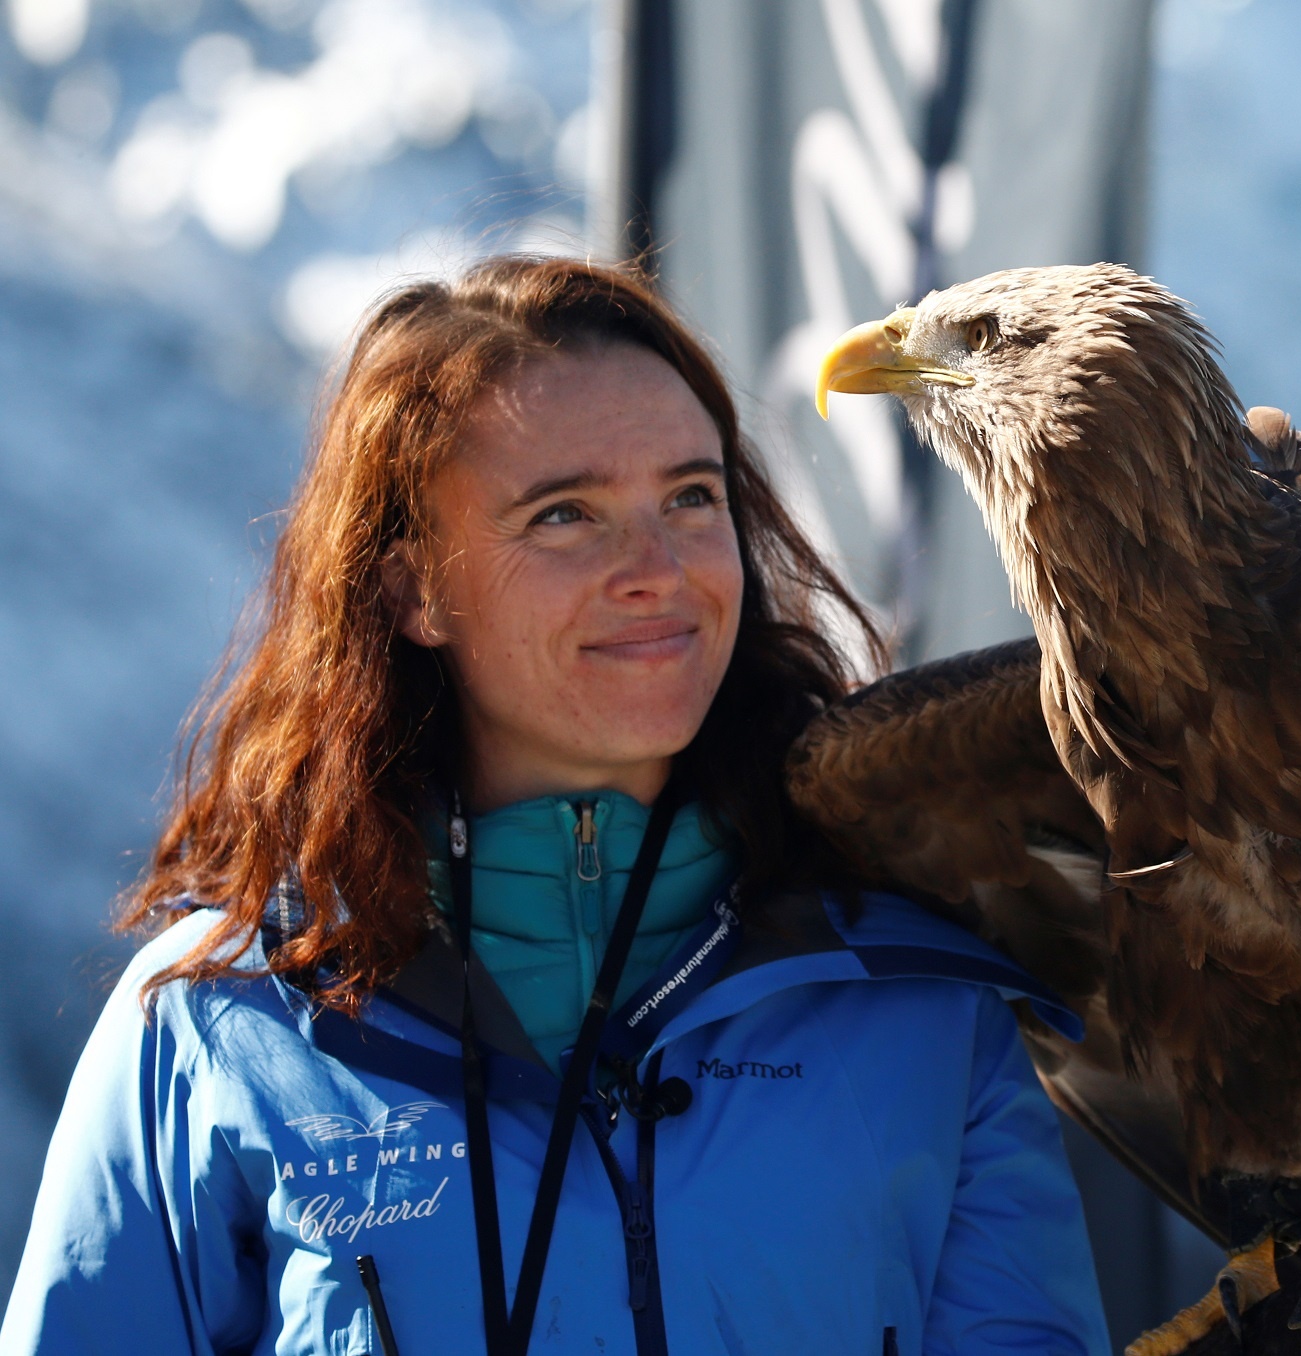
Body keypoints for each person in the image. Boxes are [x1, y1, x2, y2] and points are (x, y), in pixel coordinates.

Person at [0, 257, 1110, 1356]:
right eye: (566, 514)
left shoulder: (920, 1001)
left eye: (692, 496)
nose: (657, 568)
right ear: (413, 590)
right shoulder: (217, 1027)